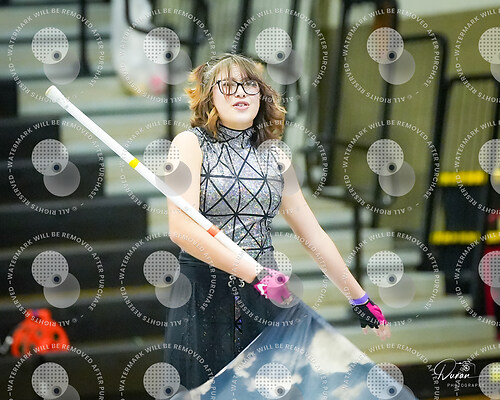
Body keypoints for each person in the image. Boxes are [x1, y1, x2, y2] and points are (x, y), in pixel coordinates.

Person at [165, 53, 390, 390]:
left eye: (249, 84)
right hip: (205, 293)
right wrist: (254, 273)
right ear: (210, 96)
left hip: (264, 294)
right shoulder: (188, 144)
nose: (240, 92)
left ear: (261, 94)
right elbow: (182, 231)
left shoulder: (276, 155)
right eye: (227, 85)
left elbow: (312, 234)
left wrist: (358, 297)